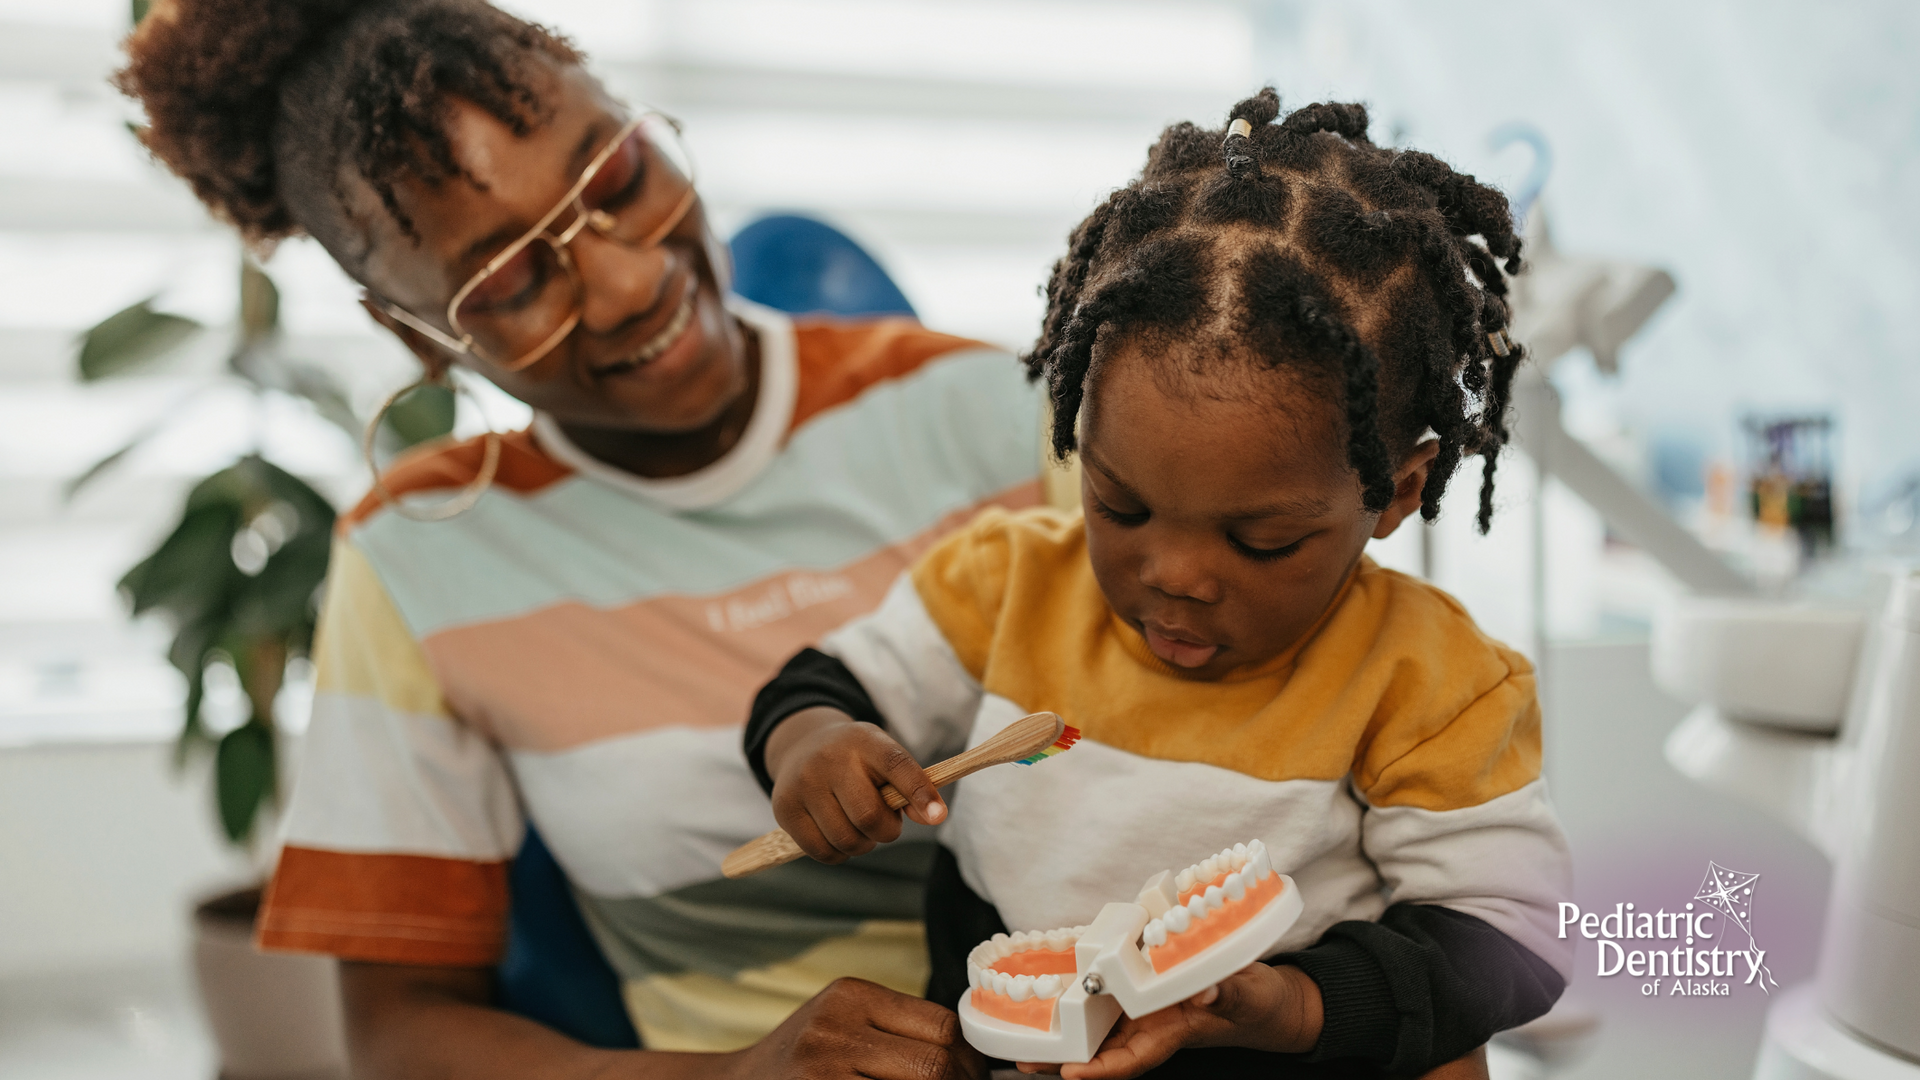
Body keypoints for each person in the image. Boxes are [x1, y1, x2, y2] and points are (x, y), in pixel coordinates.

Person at [118, 1, 1051, 1076]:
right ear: (407, 326)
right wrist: (739, 1075)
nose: (627, 282)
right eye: (511, 280)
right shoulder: (419, 562)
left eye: (616, 180)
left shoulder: (996, 412)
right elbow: (402, 1034)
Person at [745, 90, 1572, 1079]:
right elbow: (824, 687)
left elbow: (1510, 941)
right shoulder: (1004, 585)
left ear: (1397, 492)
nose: (1173, 577)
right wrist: (817, 748)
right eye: (1120, 507)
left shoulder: (1432, 682)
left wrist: (1297, 1005)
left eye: (1260, 541)